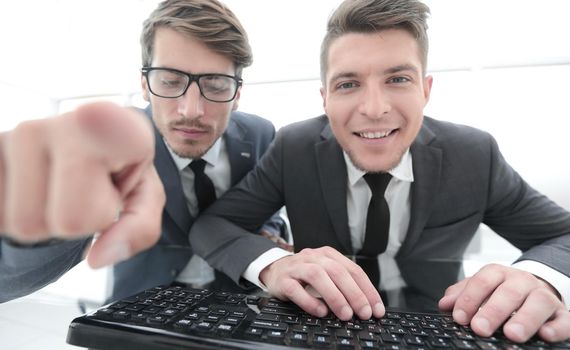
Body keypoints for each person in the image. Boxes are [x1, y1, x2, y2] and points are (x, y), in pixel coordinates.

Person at [189, 0, 570, 343]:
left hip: (439, 329)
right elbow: (213, 225)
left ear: (425, 89)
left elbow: (563, 236)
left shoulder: (473, 154)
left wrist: (541, 278)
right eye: (348, 83)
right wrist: (274, 265)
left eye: (398, 79)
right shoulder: (295, 148)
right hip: (319, 330)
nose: (374, 108)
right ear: (326, 97)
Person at [0, 0, 286, 303]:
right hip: (140, 306)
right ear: (145, 85)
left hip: (234, 304)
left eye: (215, 86)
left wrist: (267, 240)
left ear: (237, 93)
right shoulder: (114, 144)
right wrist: (46, 208)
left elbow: (266, 208)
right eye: (170, 81)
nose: (192, 110)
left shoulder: (260, 134)